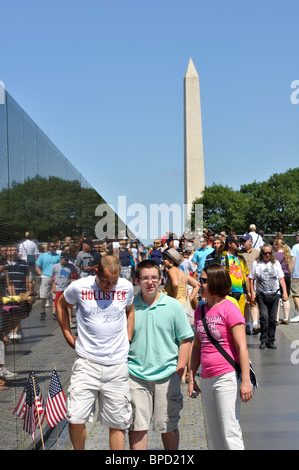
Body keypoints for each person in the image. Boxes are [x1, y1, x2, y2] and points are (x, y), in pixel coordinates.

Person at [56, 255, 134, 450]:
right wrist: (67, 334)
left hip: (116, 365)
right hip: (86, 363)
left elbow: (130, 310)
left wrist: (128, 338)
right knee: (75, 417)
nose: (109, 286)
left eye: (113, 282)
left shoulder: (126, 287)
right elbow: (61, 304)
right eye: (105, 281)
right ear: (96, 272)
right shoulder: (80, 287)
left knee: (117, 422)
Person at [128, 259, 193, 450]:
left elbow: (185, 340)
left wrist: (179, 371)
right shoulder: (129, 307)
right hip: (135, 376)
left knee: (168, 426)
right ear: (137, 281)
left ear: (161, 279)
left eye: (154, 278)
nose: (150, 282)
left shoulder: (173, 306)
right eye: (145, 278)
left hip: (167, 375)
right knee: (137, 426)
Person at [188, 264, 252, 450]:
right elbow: (197, 346)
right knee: (214, 432)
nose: (199, 284)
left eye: (203, 280)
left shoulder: (229, 309)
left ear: (216, 283)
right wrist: (192, 377)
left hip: (227, 375)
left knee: (230, 429)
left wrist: (245, 381)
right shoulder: (200, 311)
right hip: (207, 377)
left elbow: (242, 347)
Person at [249, 245, 288, 349]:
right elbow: (251, 279)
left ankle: (271, 340)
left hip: (275, 294)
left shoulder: (275, 263)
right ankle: (263, 340)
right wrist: (252, 292)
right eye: (265, 253)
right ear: (261, 253)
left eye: (269, 253)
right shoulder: (256, 263)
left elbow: (281, 278)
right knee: (264, 318)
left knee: (272, 319)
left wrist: (285, 292)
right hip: (261, 294)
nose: (267, 255)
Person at [215, 234, 251, 316]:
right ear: (230, 244)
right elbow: (215, 274)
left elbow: (246, 275)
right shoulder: (221, 257)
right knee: (228, 317)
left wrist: (248, 292)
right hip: (226, 294)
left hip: (240, 294)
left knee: (239, 318)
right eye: (236, 243)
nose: (239, 245)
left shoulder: (240, 258)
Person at [239, 234, 260, 335]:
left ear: (250, 242)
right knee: (245, 303)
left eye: (244, 241)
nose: (242, 243)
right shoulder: (239, 253)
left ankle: (255, 324)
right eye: (242, 241)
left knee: (253, 302)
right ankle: (247, 324)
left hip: (254, 281)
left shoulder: (257, 253)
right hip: (243, 281)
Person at [50, 251, 79, 322]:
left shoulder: (71, 266)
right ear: (61, 258)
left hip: (67, 288)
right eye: (65, 259)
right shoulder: (55, 267)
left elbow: (77, 273)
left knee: (69, 305)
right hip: (59, 288)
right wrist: (53, 286)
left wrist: (74, 279)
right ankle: (61, 319)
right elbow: (52, 277)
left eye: (67, 260)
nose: (66, 261)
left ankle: (70, 321)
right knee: (58, 305)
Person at [35, 241, 60, 319]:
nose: (54, 248)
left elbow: (60, 266)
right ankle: (43, 312)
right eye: (53, 246)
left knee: (55, 296)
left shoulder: (58, 256)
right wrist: (42, 275)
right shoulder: (43, 256)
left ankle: (54, 312)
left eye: (55, 246)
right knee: (43, 296)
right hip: (46, 276)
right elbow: (37, 266)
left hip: (55, 278)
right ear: (49, 247)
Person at [273, 239, 291, 324]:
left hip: (278, 277)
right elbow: (289, 267)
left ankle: (276, 318)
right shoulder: (286, 254)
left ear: (277, 246)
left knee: (277, 297)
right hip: (286, 275)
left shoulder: (274, 255)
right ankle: (286, 318)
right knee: (286, 297)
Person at [289, 231, 299, 322]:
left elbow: (293, 261)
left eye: (297, 236)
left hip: (297, 274)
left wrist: (290, 273)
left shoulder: (295, 247)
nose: (296, 237)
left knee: (295, 294)